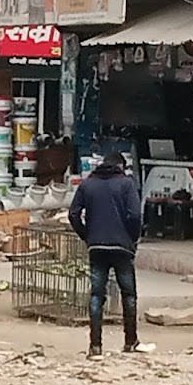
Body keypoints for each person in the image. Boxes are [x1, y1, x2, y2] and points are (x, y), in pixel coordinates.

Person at [68, 152, 144, 359]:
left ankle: (95, 347)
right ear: (120, 165)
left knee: (96, 296)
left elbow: (73, 214)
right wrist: (132, 239)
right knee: (128, 295)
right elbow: (135, 215)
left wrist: (87, 236)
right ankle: (130, 342)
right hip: (122, 247)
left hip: (96, 247)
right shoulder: (126, 184)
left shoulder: (87, 185)